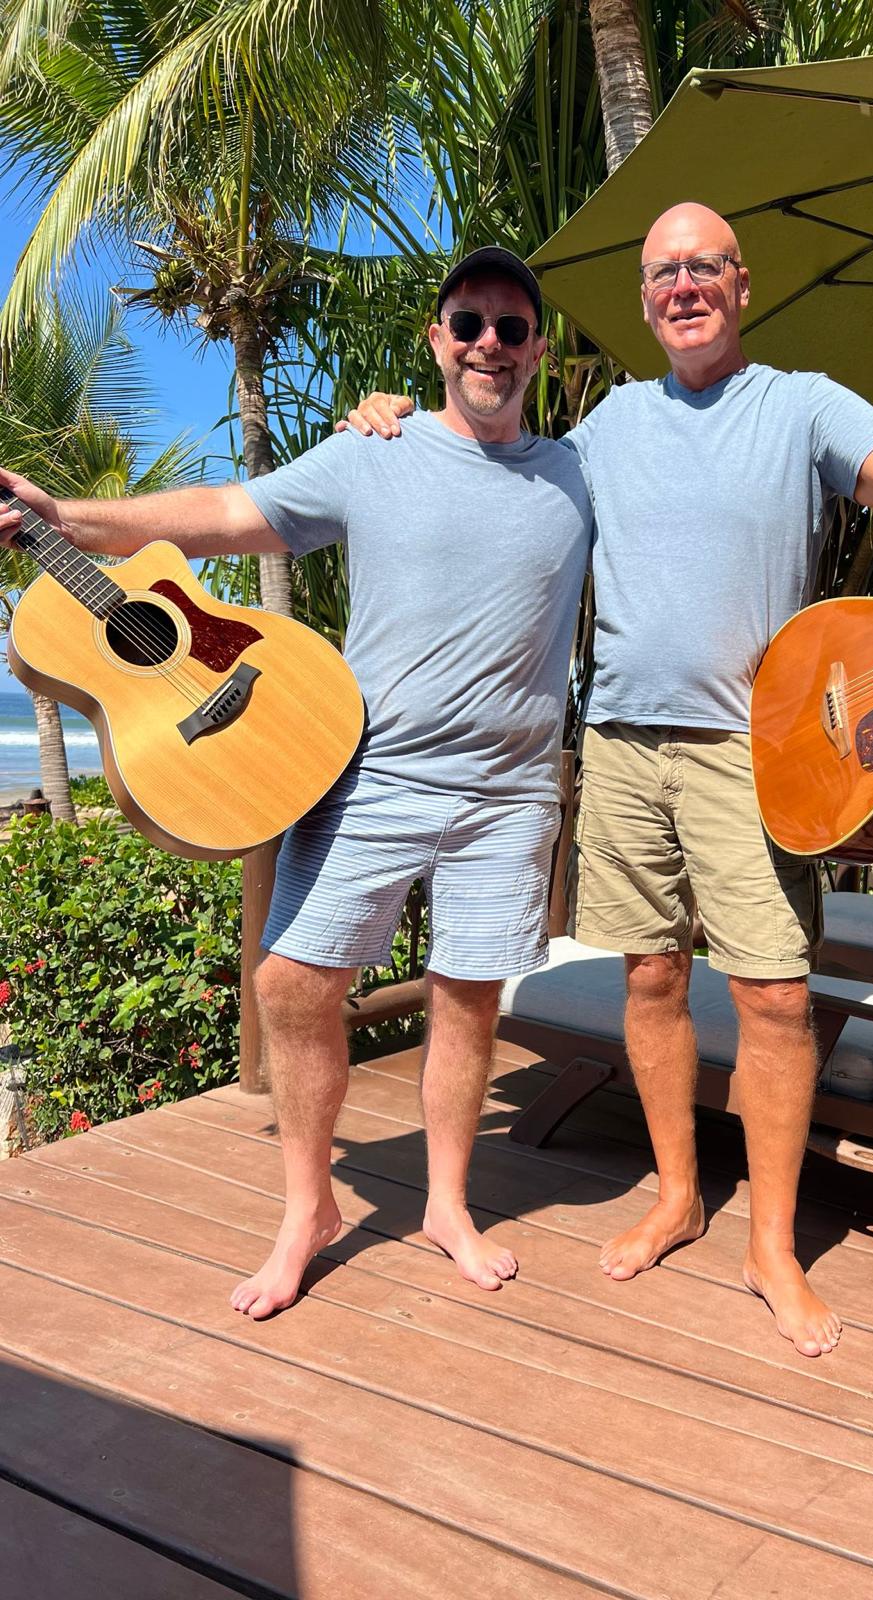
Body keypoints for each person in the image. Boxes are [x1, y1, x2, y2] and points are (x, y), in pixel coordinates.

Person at [345, 202, 873, 1358]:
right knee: (649, 978)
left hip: (760, 750)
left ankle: (773, 1243)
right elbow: (490, 463)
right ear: (645, 300)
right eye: (662, 273)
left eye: (702, 266)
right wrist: (391, 418)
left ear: (741, 285)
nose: (682, 285)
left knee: (776, 995)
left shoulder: (802, 403)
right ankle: (678, 1193)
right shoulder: (602, 429)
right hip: (626, 745)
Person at [0, 247, 592, 1318]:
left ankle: (447, 1203)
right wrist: (70, 517)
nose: (490, 344)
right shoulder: (377, 450)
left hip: (508, 791)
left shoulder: (575, 474)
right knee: (288, 984)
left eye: (512, 327)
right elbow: (228, 512)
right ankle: (307, 1210)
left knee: (467, 997)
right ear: (437, 340)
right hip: (373, 770)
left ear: (538, 347)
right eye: (470, 323)